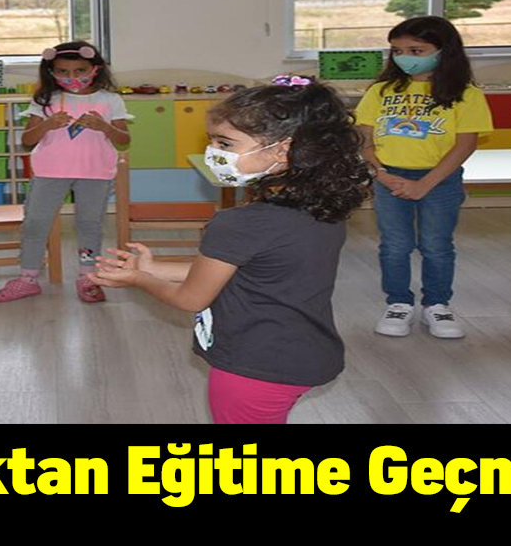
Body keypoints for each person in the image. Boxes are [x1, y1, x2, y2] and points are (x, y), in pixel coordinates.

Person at [91, 80, 371, 424]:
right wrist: (153, 267)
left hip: (255, 365)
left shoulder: (241, 223)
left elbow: (190, 298)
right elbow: (246, 269)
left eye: (224, 143)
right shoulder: (322, 208)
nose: (212, 151)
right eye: (211, 140)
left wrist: (140, 280)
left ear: (283, 150)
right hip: (304, 351)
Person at [354, 16, 493, 339]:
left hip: (440, 180)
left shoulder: (466, 94)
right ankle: (398, 302)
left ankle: (437, 304)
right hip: (389, 178)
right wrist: (380, 173)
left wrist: (425, 184)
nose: (405, 58)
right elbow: (363, 139)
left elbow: (465, 144)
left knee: (436, 245)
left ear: (444, 51)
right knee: (395, 245)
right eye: (397, 51)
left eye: (416, 51)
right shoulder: (380, 91)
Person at [0, 40, 131, 303]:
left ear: (95, 69)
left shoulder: (110, 99)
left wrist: (104, 126)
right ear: (51, 72)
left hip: (95, 172)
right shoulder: (45, 100)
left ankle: (88, 277)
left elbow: (124, 140)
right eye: (63, 71)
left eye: (80, 71)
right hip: (50, 172)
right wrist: (47, 124)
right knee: (35, 223)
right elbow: (27, 140)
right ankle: (27, 278)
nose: (72, 77)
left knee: (90, 225)